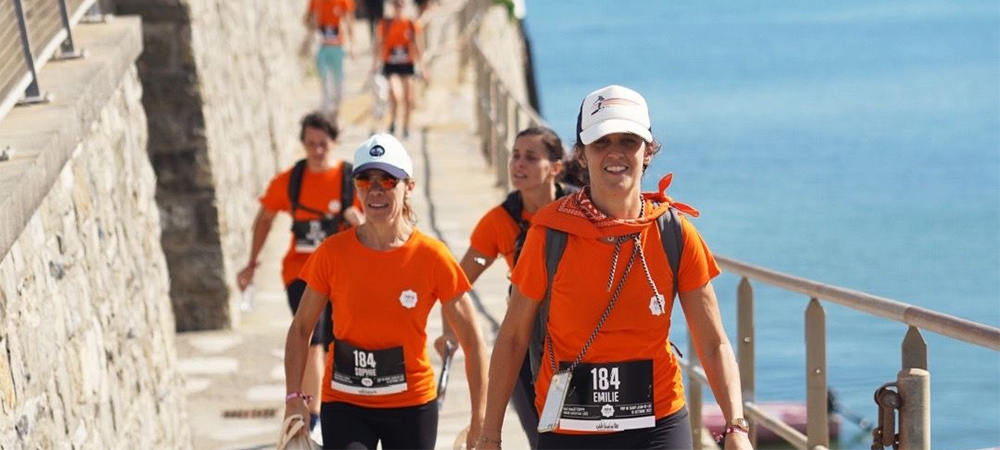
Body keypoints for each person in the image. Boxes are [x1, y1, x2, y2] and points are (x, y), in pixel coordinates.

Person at [477, 85, 754, 450]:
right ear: (581, 154)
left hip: (657, 424)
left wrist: (736, 426)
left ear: (648, 151)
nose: (616, 153)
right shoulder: (549, 235)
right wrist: (489, 437)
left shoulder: (674, 233)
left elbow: (713, 341)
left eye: (628, 140)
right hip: (569, 427)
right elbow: (512, 338)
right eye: (601, 142)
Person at [283, 133, 489, 450]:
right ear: (356, 188)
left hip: (411, 406)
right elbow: (300, 328)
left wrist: (480, 420)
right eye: (366, 180)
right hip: (346, 402)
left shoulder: (432, 256)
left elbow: (474, 341)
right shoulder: (332, 253)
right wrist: (294, 396)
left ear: (409, 187)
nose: (376, 190)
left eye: (388, 180)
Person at [434, 126, 573, 448]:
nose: (518, 165)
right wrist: (449, 330)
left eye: (530, 157)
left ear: (555, 168)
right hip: (524, 344)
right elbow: (459, 281)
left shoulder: (579, 210)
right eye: (515, 156)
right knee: (541, 439)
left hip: (575, 343)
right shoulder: (501, 222)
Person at [237, 112, 363, 432]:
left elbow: (376, 230)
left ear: (334, 142)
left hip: (344, 276)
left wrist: (355, 221)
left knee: (338, 343)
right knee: (312, 339)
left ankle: (336, 407)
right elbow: (264, 218)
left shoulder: (352, 182)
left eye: (323, 144)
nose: (317, 152)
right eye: (310, 145)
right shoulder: (291, 180)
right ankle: (315, 416)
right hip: (301, 273)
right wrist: (251, 264)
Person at [370, 0, 426, 139]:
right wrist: (375, 63)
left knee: (409, 97)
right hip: (391, 64)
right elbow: (378, 44)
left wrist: (423, 67)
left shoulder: (411, 24)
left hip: (407, 64)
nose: (398, 9)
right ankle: (393, 120)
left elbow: (418, 46)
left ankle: (406, 126)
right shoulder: (385, 24)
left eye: (401, 5)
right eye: (396, 6)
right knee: (396, 94)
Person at [304, 0, 356, 122]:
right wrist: (313, 26)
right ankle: (327, 119)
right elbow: (306, 19)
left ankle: (336, 113)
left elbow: (349, 22)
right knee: (325, 83)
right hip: (322, 47)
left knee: (339, 85)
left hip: (337, 47)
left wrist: (353, 45)